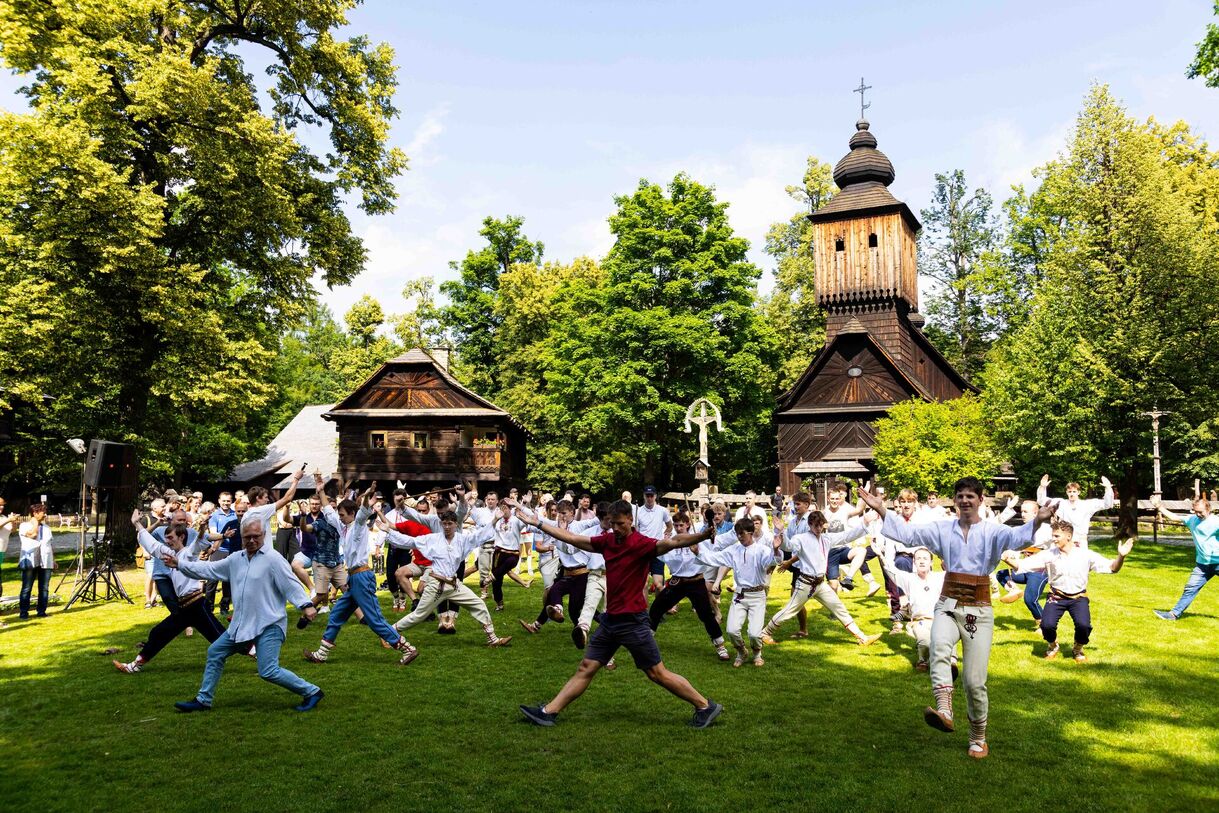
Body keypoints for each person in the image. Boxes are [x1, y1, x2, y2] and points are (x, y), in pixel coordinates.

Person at [860, 477, 1055, 760]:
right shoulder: (942, 529)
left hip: (979, 607)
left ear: (981, 500)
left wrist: (1038, 520)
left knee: (974, 681)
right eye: (960, 496)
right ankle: (945, 710)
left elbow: (1019, 537)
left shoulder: (992, 531)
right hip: (947, 603)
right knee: (937, 646)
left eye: (970, 497)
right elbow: (909, 534)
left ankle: (978, 737)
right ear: (954, 500)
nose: (965, 501)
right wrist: (881, 510)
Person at [516, 501, 723, 729]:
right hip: (610, 621)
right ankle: (548, 712)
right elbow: (573, 539)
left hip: (633, 622)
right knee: (587, 667)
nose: (615, 528)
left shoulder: (641, 544)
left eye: (620, 524)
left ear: (631, 521)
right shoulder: (608, 541)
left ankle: (705, 705)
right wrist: (539, 523)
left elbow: (673, 541)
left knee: (656, 673)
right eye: (612, 524)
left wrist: (702, 536)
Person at [166, 513, 323, 713]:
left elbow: (290, 583)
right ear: (241, 537)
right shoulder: (235, 559)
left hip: (269, 624)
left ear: (264, 534)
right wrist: (180, 564)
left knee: (268, 671)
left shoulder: (273, 559)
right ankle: (203, 700)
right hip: (242, 623)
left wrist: (306, 604)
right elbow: (208, 569)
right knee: (215, 652)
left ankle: (312, 691)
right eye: (247, 536)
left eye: (256, 536)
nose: (251, 540)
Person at [303, 480, 417, 665]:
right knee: (337, 614)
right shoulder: (343, 526)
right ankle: (322, 654)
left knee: (374, 620)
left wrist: (367, 496)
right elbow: (328, 511)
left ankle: (407, 649)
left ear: (352, 514)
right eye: (339, 515)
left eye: (342, 515)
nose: (339, 517)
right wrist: (321, 490)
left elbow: (363, 511)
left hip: (363, 577)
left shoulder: (358, 524)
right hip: (353, 579)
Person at [377, 501, 512, 652]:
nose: (447, 527)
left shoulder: (462, 539)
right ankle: (387, 634)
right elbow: (410, 541)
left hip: (454, 584)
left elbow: (479, 535)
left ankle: (492, 639)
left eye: (450, 524)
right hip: (437, 584)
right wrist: (389, 531)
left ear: (456, 524)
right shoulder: (433, 539)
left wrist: (495, 520)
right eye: (444, 524)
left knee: (479, 605)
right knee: (419, 615)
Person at [113, 511, 226, 673]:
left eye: (171, 538)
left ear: (181, 537)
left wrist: (202, 528)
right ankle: (134, 666)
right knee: (159, 632)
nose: (167, 541)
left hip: (196, 605)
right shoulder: (169, 554)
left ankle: (252, 650)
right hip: (184, 607)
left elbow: (199, 541)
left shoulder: (188, 553)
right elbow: (151, 544)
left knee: (219, 637)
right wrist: (137, 524)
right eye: (166, 538)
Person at [1005, 519, 1132, 661]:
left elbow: (1113, 568)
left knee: (1084, 626)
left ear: (1068, 537)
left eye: (1057, 536)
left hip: (1078, 598)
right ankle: (1053, 646)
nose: (1053, 539)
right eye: (1053, 536)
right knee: (1046, 626)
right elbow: (1023, 565)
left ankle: (1077, 649)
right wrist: (1006, 559)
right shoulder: (1049, 554)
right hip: (1056, 597)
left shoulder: (1086, 555)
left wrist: (1121, 556)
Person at [760, 510, 882, 648]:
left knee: (839, 608)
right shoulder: (801, 538)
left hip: (820, 584)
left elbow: (846, 536)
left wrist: (864, 522)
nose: (818, 529)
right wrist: (780, 532)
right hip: (805, 584)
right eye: (815, 526)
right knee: (789, 611)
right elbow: (789, 546)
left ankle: (862, 637)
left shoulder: (826, 538)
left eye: (820, 525)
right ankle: (765, 633)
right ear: (810, 524)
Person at [692, 517, 781, 667]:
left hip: (758, 595)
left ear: (751, 532)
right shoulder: (734, 550)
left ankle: (757, 653)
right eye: (737, 534)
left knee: (754, 633)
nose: (739, 537)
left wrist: (776, 549)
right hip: (740, 595)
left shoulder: (762, 550)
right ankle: (741, 652)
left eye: (742, 534)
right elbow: (715, 558)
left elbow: (772, 562)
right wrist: (698, 553)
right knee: (732, 630)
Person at [648, 512, 730, 662]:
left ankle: (720, 646)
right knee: (656, 607)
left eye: (681, 525)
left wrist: (710, 532)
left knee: (706, 614)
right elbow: (653, 550)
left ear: (687, 524)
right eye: (677, 525)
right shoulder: (671, 542)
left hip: (696, 581)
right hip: (677, 582)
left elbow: (717, 541)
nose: (679, 528)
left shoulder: (698, 538)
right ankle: (646, 641)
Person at [519, 500, 589, 634]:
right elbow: (538, 519)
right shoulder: (555, 525)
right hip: (566, 573)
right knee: (553, 592)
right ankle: (542, 621)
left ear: (572, 514)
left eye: (564, 513)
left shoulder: (580, 526)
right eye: (559, 513)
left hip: (582, 574)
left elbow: (597, 522)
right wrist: (519, 506)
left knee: (575, 609)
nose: (561, 516)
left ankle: (586, 629)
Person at [1151, 496, 1219, 621]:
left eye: (1201, 512)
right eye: (1196, 511)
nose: (1198, 514)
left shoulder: (1216, 522)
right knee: (1190, 588)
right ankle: (1173, 614)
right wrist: (1158, 506)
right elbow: (1174, 517)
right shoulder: (1192, 520)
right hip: (1202, 565)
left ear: (1208, 509)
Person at [877, 546, 945, 670]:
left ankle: (947, 662)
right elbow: (891, 570)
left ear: (931, 562)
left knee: (943, 643)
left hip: (939, 621)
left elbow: (958, 570)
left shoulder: (940, 577)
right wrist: (881, 556)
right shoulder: (908, 579)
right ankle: (922, 660)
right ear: (914, 562)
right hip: (920, 621)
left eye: (925, 558)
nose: (922, 561)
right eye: (918, 558)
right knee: (925, 642)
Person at [1036, 474, 1114, 550]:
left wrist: (1108, 488)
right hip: (1064, 539)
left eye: (1074, 491)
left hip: (1080, 541)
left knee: (1080, 562)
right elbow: (1041, 501)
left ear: (1078, 492)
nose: (1072, 494)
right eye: (1070, 492)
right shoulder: (1061, 503)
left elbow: (1107, 504)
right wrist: (1042, 487)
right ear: (1067, 492)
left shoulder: (1087, 505)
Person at [488, 497, 531, 610]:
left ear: (509, 508)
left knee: (510, 564)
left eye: (505, 508)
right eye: (501, 508)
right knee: (497, 582)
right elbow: (489, 529)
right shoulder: (497, 519)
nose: (503, 511)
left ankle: (490, 577)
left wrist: (525, 504)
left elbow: (528, 519)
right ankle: (499, 603)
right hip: (499, 552)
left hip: (513, 553)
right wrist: (495, 520)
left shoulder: (516, 520)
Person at [17, 502, 54, 619]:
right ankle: (24, 612)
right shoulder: (24, 526)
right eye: (43, 512)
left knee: (44, 588)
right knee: (27, 588)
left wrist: (54, 560)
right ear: (35, 513)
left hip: (45, 560)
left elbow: (50, 545)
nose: (45, 515)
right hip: (30, 560)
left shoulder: (47, 528)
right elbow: (33, 535)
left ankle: (41, 611)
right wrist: (34, 523)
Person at [637, 486, 674, 596]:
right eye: (647, 496)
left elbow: (670, 526)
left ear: (655, 496)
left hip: (657, 550)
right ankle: (645, 613)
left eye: (651, 496)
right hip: (642, 550)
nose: (649, 498)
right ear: (644, 496)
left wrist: (666, 536)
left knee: (658, 584)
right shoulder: (637, 511)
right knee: (643, 584)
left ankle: (659, 611)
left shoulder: (662, 510)